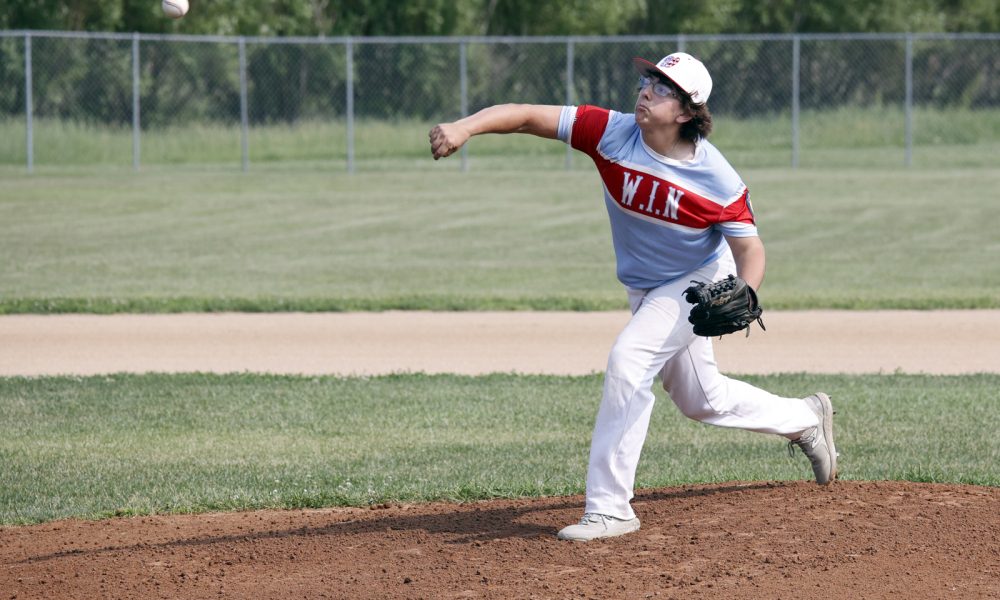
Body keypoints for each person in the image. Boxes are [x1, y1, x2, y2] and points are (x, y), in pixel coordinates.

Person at [428, 52, 837, 542]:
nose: (646, 91)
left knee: (629, 361)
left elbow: (750, 248)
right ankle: (805, 418)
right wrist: (464, 127)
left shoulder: (716, 178)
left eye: (663, 88)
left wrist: (745, 291)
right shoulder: (612, 132)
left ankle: (610, 509)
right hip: (644, 285)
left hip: (695, 281)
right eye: (649, 79)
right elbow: (526, 114)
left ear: (686, 111)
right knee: (701, 399)